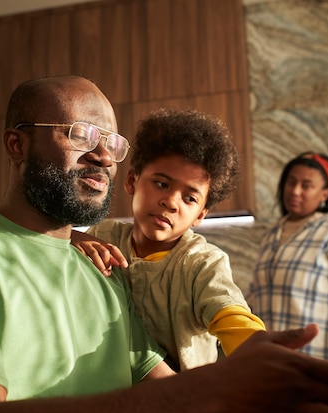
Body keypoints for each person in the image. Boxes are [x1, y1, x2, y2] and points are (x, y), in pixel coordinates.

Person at [0, 77, 328, 413]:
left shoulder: (104, 268)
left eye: (112, 141)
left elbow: (163, 381)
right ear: (17, 144)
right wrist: (212, 392)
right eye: (80, 134)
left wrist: (287, 409)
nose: (103, 155)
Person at [72, 108, 265, 370]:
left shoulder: (202, 263)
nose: (171, 202)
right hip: (110, 391)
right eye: (162, 184)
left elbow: (230, 314)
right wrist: (72, 239)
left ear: (201, 214)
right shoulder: (103, 235)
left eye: (190, 198)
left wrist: (260, 350)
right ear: (132, 180)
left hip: (181, 401)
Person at [248, 152, 328, 369]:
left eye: (306, 185)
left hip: (320, 363)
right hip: (273, 365)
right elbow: (257, 295)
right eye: (291, 182)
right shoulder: (271, 234)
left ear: (325, 194)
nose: (295, 191)